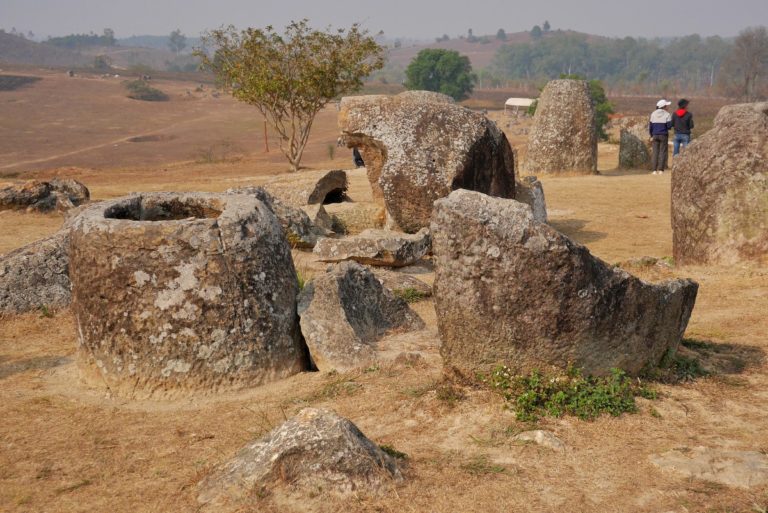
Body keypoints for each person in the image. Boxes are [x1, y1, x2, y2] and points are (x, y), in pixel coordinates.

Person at [649, 99, 673, 175]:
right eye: (667, 105)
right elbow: (669, 126)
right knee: (662, 152)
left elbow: (650, 126)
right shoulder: (667, 114)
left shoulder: (653, 114)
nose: (668, 107)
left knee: (655, 152)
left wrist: (651, 135)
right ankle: (661, 170)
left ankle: (654, 170)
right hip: (663, 135)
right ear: (664, 106)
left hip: (655, 135)